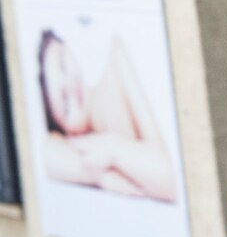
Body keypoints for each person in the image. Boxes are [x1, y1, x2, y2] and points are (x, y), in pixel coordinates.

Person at [37, 29, 178, 202]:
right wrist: (100, 175)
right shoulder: (83, 148)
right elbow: (46, 153)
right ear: (66, 130)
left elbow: (174, 181)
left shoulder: (116, 56)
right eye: (65, 103)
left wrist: (113, 148)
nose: (72, 84)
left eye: (63, 64)